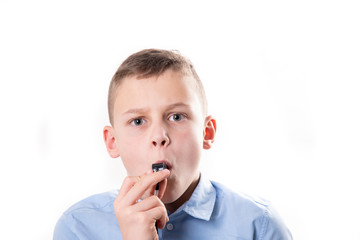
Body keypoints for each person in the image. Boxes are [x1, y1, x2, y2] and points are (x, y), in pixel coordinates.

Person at [53, 49, 293, 240]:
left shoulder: (258, 226)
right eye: (138, 121)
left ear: (206, 133)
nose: (159, 136)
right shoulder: (77, 228)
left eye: (176, 117)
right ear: (113, 142)